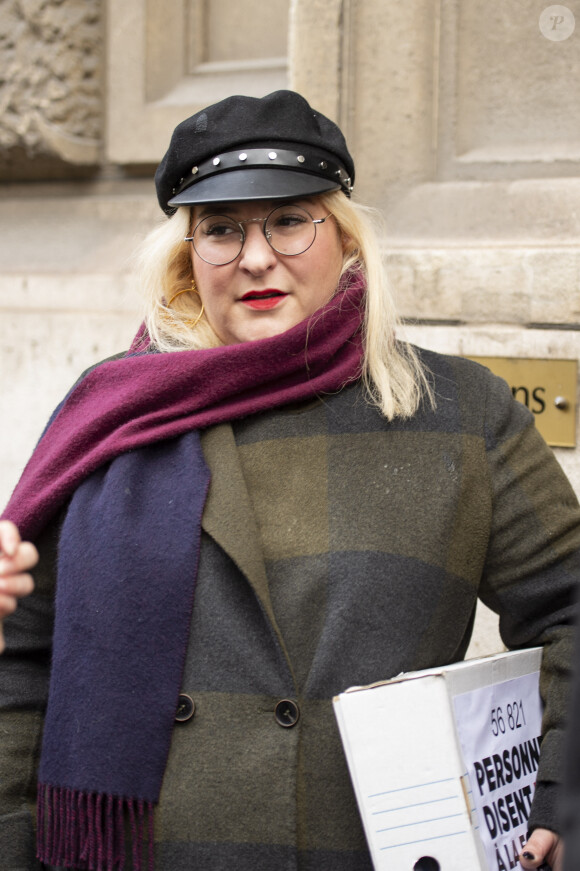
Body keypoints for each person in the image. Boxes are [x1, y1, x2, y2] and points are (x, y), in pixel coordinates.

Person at [0, 89, 577, 871]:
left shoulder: (460, 412)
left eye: (289, 219)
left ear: (345, 240)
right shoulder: (107, 416)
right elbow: (20, 657)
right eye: (222, 230)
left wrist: (562, 796)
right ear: (185, 258)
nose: (257, 256)